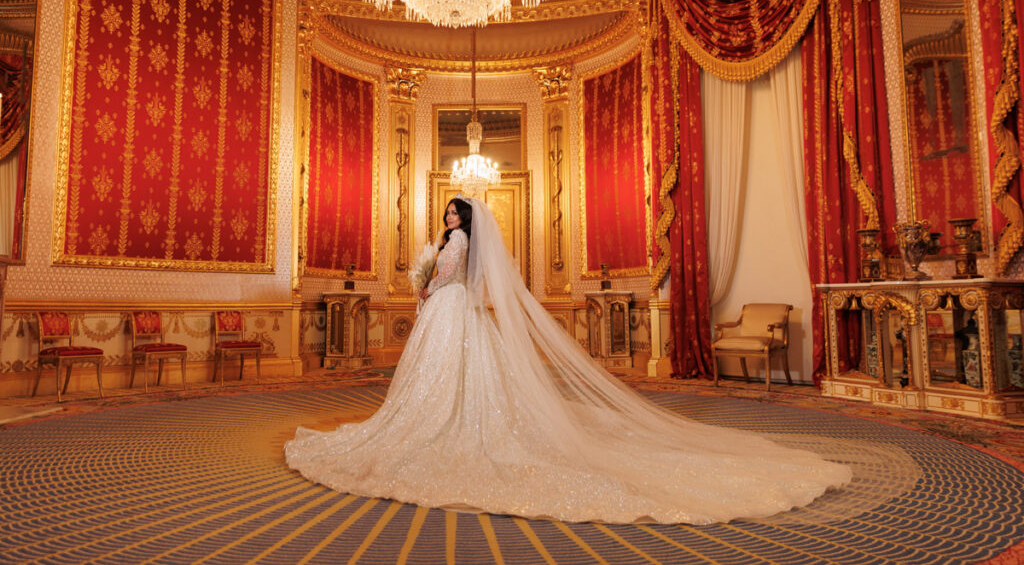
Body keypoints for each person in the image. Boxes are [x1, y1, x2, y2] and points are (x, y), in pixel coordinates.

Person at [285, 195, 851, 524]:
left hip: (448, 308)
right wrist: (426, 283)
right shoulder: (452, 241)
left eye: (458, 212)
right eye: (450, 211)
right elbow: (437, 274)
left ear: (467, 220)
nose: (452, 217)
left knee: (455, 377)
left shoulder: (455, 247)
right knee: (448, 375)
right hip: (446, 310)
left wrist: (428, 284)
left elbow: (446, 275)